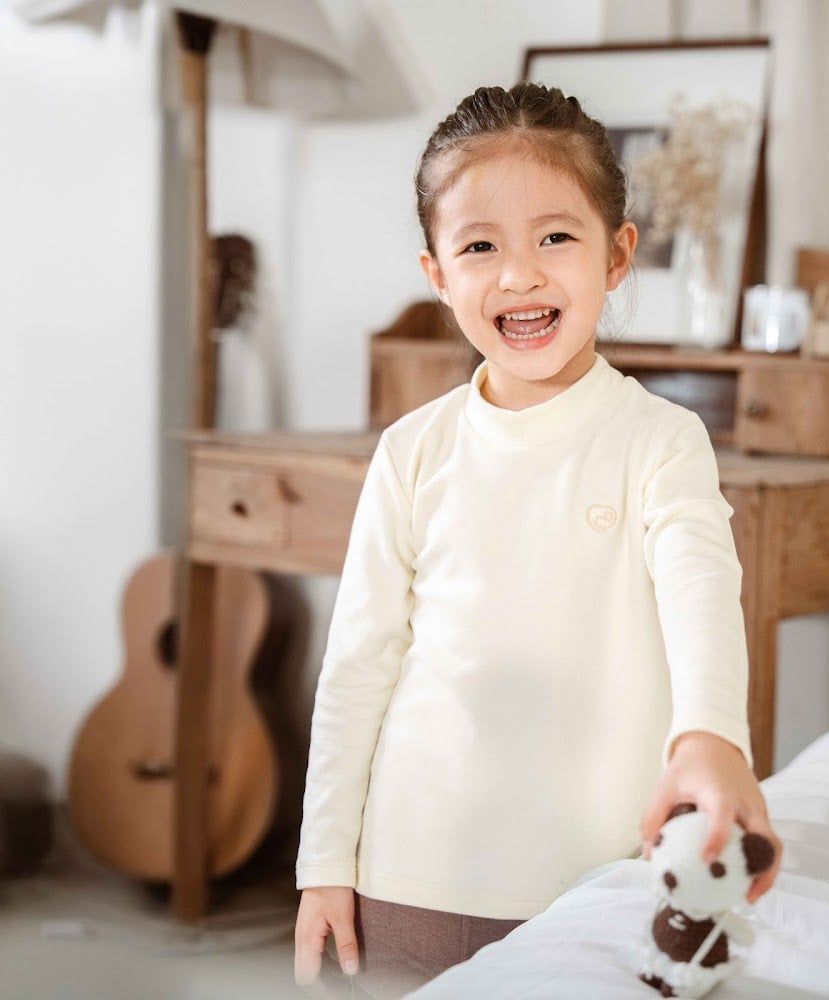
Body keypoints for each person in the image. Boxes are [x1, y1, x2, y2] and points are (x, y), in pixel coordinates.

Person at [294, 82, 783, 997]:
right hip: (408, 875)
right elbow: (356, 668)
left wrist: (712, 738)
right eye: (480, 247)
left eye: (555, 237)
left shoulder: (661, 442)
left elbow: (702, 597)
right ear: (438, 274)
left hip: (595, 878)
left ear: (617, 255)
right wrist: (325, 861)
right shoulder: (412, 450)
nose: (518, 276)